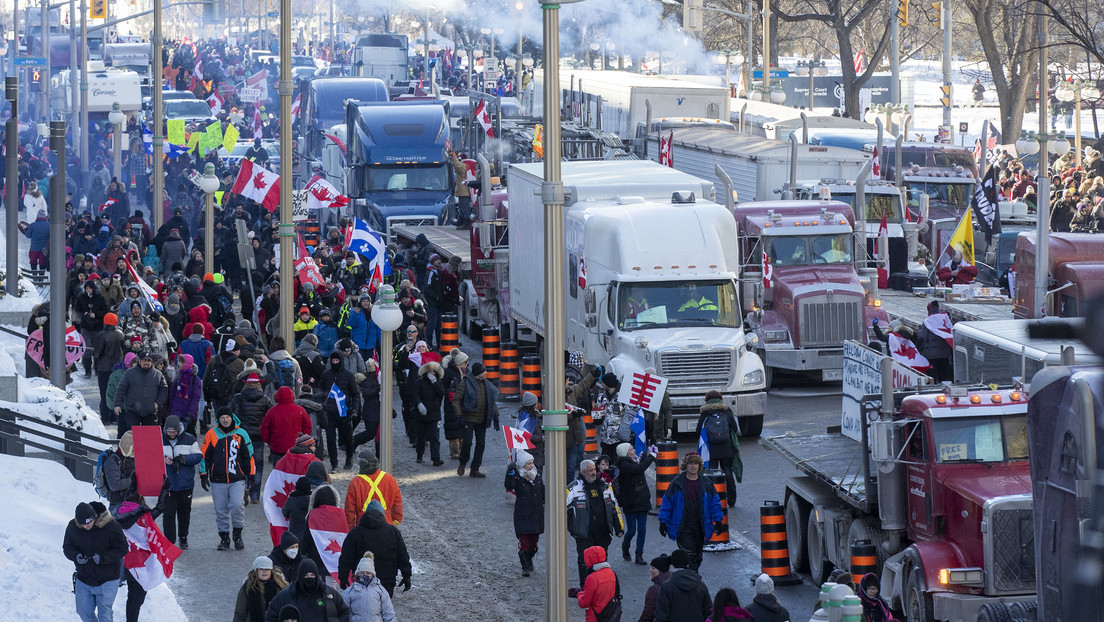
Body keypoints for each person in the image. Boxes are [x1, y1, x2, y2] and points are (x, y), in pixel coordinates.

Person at [657, 452, 724, 572]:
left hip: (700, 526)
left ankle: (690, 575)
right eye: (690, 463)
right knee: (689, 556)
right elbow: (667, 503)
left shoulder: (707, 483)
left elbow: (714, 502)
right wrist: (663, 521)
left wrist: (718, 519)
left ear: (699, 465)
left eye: (696, 463)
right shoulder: (676, 483)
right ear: (685, 465)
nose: (693, 466)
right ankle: (693, 579)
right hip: (683, 526)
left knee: (698, 557)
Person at [63, 501, 128, 622]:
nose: (86, 526)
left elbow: (123, 548)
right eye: (82, 524)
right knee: (83, 612)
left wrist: (104, 558)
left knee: (105, 616)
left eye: (88, 523)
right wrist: (76, 556)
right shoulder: (73, 526)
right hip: (84, 577)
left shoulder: (111, 526)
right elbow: (67, 547)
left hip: (108, 579)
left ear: (94, 517)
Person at [201, 406, 256, 551]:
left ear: (232, 418)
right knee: (221, 510)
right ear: (218, 419)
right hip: (217, 479)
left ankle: (238, 535)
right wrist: (203, 474)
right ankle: (224, 538)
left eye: (227, 417)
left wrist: (251, 475)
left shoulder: (242, 434)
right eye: (222, 417)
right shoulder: (211, 434)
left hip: (237, 478)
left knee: (238, 506)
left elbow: (248, 456)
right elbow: (204, 456)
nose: (225, 420)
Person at [567, 459, 626, 584]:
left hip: (603, 532)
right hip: (584, 533)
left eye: (594, 469)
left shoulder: (605, 486)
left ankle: (600, 586)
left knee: (601, 560)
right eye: (590, 470)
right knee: (584, 561)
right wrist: (571, 528)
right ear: (583, 472)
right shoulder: (573, 489)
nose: (594, 473)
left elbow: (614, 507)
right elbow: (562, 511)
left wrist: (619, 528)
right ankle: (585, 587)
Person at [338, 500, 412, 597]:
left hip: (362, 580)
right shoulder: (393, 532)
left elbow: (346, 558)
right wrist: (406, 575)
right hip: (387, 581)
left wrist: (343, 578)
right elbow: (402, 556)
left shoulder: (355, 533)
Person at [233, 372, 276, 503]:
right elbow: (272, 414)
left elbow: (229, 413)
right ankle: (255, 495)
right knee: (257, 465)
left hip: (242, 436)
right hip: (258, 437)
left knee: (241, 463)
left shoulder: (238, 398)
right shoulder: (265, 399)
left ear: (246, 384)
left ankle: (243, 488)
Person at [451, 361, 500, 478]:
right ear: (478, 373)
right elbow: (456, 400)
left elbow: (491, 401)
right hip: (468, 418)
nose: (486, 373)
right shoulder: (465, 383)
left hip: (482, 419)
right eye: (484, 371)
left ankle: (475, 469)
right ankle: (463, 463)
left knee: (481, 444)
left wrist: (496, 415)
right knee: (467, 442)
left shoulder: (486, 384)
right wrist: (459, 415)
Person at [695, 390, 743, 507]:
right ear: (720, 399)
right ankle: (731, 500)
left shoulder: (705, 412)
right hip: (726, 448)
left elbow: (698, 430)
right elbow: (735, 428)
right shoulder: (726, 410)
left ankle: (712, 498)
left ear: (707, 400)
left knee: (711, 473)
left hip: (711, 449)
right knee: (727, 472)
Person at [264, 559, 351, 622]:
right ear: (300, 576)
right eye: (306, 575)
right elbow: (271, 615)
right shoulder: (287, 594)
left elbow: (344, 612)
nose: (309, 578)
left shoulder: (329, 593)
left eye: (312, 575)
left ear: (317, 576)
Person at [161, 415, 202, 549]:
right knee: (168, 514)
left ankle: (183, 536)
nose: (172, 435)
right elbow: (152, 455)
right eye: (169, 432)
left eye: (174, 432)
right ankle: (169, 540)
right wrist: (164, 459)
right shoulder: (159, 440)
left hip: (185, 484)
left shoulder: (189, 439)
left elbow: (198, 456)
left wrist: (183, 459)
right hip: (167, 485)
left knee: (184, 514)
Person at [504, 450, 545, 577]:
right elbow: (509, 486)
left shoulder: (536, 475)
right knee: (524, 542)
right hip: (523, 513)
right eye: (529, 463)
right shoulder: (516, 476)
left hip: (536, 513)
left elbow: (542, 490)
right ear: (522, 465)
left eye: (532, 463)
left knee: (534, 543)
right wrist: (509, 473)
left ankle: (529, 560)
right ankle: (525, 566)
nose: (532, 465)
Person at [615, 442, 656, 565]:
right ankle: (625, 546)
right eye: (631, 449)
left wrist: (646, 454)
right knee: (632, 530)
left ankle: (639, 554)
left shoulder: (634, 461)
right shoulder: (624, 465)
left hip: (642, 500)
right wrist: (651, 457)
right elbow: (639, 469)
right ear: (625, 453)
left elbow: (640, 465)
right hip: (630, 502)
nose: (633, 450)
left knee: (642, 530)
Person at [113, 350, 169, 437]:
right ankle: (132, 451)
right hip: (133, 410)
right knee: (132, 436)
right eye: (144, 360)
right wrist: (117, 404)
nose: (146, 363)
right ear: (139, 361)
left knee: (148, 437)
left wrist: (158, 403)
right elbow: (121, 389)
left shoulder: (158, 374)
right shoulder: (129, 373)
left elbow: (164, 390)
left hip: (150, 411)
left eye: (148, 360)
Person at [343, 449, 404, 529]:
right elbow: (397, 503)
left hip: (363, 527)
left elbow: (349, 510)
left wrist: (350, 529)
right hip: (386, 524)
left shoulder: (355, 482)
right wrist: (395, 520)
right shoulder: (389, 478)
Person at [320, 350, 360, 471]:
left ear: (341, 361)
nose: (335, 362)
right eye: (333, 360)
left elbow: (355, 394)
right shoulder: (326, 375)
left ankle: (348, 460)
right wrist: (321, 407)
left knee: (348, 439)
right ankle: (334, 463)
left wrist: (354, 410)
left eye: (337, 360)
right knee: (330, 440)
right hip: (330, 413)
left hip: (345, 413)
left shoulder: (348, 375)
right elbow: (320, 393)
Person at [655, 548, 711, 622]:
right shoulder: (701, 585)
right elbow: (709, 613)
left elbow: (661, 617)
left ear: (673, 564)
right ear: (688, 564)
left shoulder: (666, 587)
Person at [261, 386, 313, 466]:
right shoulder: (300, 410)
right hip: (295, 447)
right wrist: (301, 440)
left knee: (278, 473)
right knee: (295, 472)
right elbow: (308, 427)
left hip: (277, 448)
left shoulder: (272, 412)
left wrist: (270, 442)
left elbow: (264, 430)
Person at [341, 553, 396, 622]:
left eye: (368, 573)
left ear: (372, 575)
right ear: (357, 574)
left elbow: (388, 612)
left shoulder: (380, 590)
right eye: (362, 573)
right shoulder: (350, 591)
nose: (365, 575)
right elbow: (344, 613)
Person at [571, 545, 621, 622]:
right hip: (611, 614)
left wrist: (579, 593)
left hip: (596, 617)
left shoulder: (592, 578)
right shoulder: (612, 573)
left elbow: (584, 603)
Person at [93, 312, 126, 424]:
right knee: (115, 392)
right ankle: (115, 416)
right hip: (117, 367)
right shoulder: (120, 334)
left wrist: (95, 367)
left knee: (104, 392)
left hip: (104, 367)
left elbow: (97, 353)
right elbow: (124, 349)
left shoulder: (101, 335)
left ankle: (105, 417)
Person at [233, 556, 289, 622]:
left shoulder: (280, 586)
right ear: (256, 570)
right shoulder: (247, 588)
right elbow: (240, 613)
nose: (265, 571)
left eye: (267, 569)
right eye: (262, 569)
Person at [413, 360, 446, 465]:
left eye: (433, 371)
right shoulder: (418, 382)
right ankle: (419, 455)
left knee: (434, 437)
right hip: (421, 414)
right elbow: (415, 395)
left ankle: (436, 458)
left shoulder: (438, 383)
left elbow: (441, 393)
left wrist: (434, 383)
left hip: (434, 414)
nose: (432, 373)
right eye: (430, 371)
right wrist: (419, 404)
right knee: (421, 436)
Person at [594, 373, 629, 459]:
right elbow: (596, 419)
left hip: (618, 439)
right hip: (605, 439)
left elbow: (629, 416)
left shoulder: (623, 398)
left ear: (608, 384)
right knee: (605, 465)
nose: (601, 384)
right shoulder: (600, 398)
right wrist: (597, 415)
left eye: (603, 382)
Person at [168, 354, 203, 436]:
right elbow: (172, 396)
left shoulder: (195, 379)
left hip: (188, 415)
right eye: (179, 362)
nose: (179, 364)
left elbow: (195, 398)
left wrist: (190, 414)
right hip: (176, 413)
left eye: (182, 362)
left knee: (189, 438)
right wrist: (170, 411)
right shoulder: (178, 377)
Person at [637, 554, 672, 622]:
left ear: (661, 571)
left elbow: (648, 614)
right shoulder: (673, 582)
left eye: (653, 568)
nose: (650, 570)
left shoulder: (654, 590)